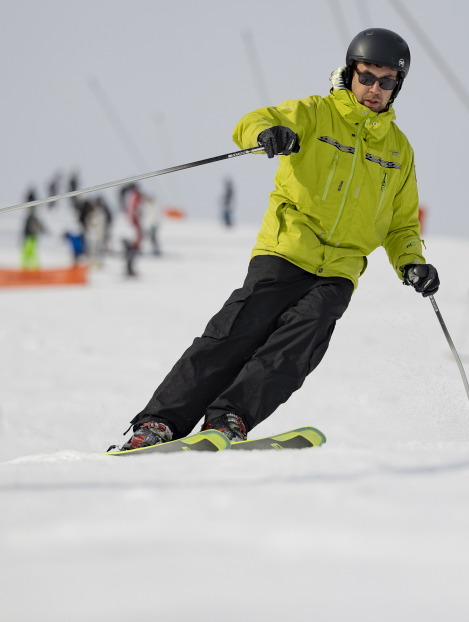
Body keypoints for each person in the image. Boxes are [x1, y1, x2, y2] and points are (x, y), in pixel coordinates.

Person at [116, 28, 438, 450]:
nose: (374, 89)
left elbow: (401, 224)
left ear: (398, 86)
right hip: (286, 250)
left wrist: (411, 261)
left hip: (339, 270)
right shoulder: (314, 113)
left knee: (295, 349)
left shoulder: (399, 150)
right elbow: (252, 121)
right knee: (232, 336)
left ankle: (230, 418)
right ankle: (158, 424)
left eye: (387, 81)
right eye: (367, 77)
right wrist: (269, 135)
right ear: (350, 72)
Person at [21, 191, 46, 270]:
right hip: (28, 237)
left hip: (32, 237)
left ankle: (34, 268)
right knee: (26, 253)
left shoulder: (33, 218)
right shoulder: (29, 218)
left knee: (31, 253)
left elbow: (39, 225)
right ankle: (26, 268)